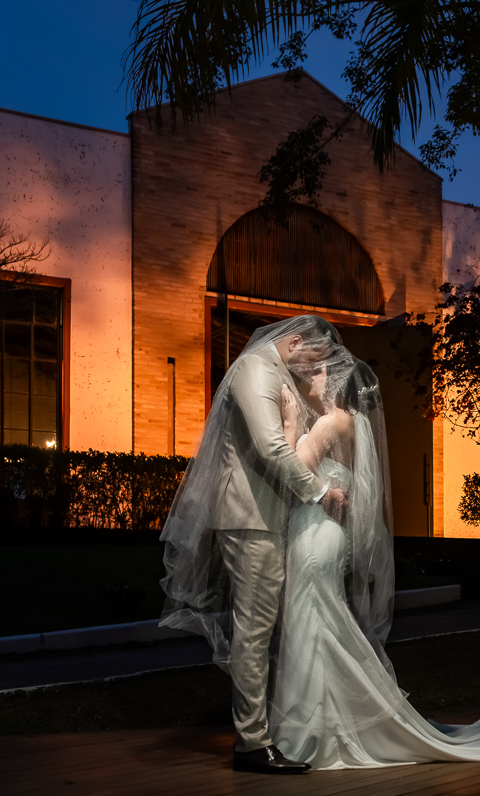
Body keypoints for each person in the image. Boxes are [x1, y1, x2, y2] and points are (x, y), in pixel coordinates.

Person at [268, 353, 480, 769]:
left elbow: (294, 472)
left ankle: (309, 733)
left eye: (319, 371)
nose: (310, 377)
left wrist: (288, 427)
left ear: (336, 382)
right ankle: (322, 724)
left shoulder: (327, 423)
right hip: (323, 533)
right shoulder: (348, 423)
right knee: (320, 623)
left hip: (316, 534)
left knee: (311, 622)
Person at [157, 314, 350, 774]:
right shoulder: (257, 368)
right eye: (314, 357)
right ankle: (252, 744)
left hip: (264, 513)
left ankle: (258, 735)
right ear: (295, 341)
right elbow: (270, 447)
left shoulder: (271, 370)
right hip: (249, 515)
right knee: (255, 629)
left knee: (259, 627)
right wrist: (321, 493)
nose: (313, 368)